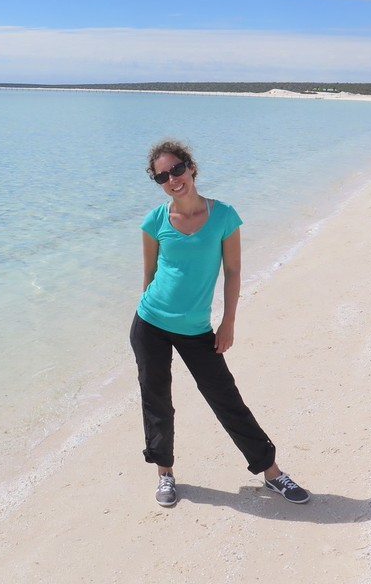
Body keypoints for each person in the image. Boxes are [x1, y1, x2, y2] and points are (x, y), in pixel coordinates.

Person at [130, 139, 309, 507]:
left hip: (197, 329)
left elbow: (232, 271)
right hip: (150, 323)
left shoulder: (224, 215)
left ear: (191, 167)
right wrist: (150, 313)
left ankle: (272, 472)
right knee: (157, 400)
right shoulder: (154, 221)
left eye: (177, 169)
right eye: (163, 175)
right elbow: (148, 275)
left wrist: (228, 322)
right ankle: (164, 473)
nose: (172, 179)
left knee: (226, 399)